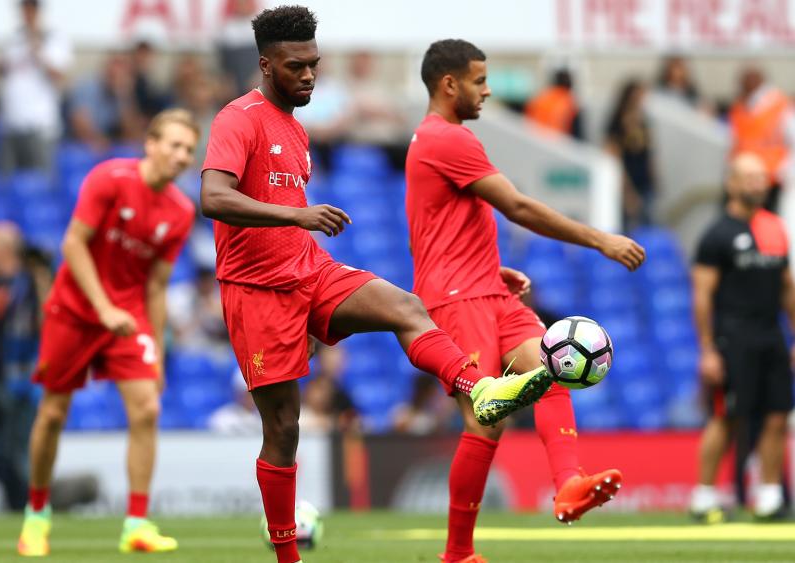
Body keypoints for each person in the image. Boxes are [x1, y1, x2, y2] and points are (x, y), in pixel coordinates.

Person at [199, 8, 551, 563]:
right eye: (296, 67)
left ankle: (478, 389)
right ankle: (287, 556)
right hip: (256, 288)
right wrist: (296, 217)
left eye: (314, 64)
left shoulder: (295, 127)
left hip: (308, 269)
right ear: (266, 65)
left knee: (405, 307)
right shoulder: (237, 120)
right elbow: (213, 199)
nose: (309, 75)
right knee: (284, 429)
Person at [406, 39, 646, 563]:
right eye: (479, 80)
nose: (488, 90)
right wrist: (600, 238)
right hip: (455, 298)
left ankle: (568, 485)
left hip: (486, 289)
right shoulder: (446, 138)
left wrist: (490, 269)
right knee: (486, 418)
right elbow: (515, 205)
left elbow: (436, 224)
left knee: (554, 366)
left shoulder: (446, 139)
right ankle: (458, 553)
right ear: (450, 84)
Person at [18, 108, 199, 556]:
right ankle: (36, 516)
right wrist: (101, 306)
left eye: (189, 150)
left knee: (147, 410)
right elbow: (73, 243)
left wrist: (155, 350)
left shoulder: (179, 211)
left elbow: (156, 285)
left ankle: (136, 524)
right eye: (173, 145)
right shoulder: (109, 178)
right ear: (150, 144)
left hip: (128, 316)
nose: (180, 156)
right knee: (54, 414)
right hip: (75, 310)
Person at [689, 153, 794, 523]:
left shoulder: (775, 229)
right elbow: (701, 295)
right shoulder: (717, 234)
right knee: (727, 417)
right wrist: (707, 349)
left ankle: (768, 496)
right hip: (733, 336)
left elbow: (786, 288)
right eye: (748, 177)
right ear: (731, 183)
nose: (756, 184)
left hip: (771, 334)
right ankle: (703, 497)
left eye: (761, 177)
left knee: (777, 415)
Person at [0, 221, 42, 512]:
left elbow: (43, 320)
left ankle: (29, 508)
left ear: (4, 249)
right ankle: (18, 505)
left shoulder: (28, 284)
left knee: (16, 451)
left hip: (22, 381)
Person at [0, 0, 72, 174]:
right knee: (8, 184)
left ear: (38, 12)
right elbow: (1, 70)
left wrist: (37, 47)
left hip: (40, 125)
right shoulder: (14, 38)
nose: (27, 15)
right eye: (24, 10)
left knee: (40, 183)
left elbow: (58, 75)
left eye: (30, 10)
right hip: (11, 123)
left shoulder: (54, 38)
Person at [728, 66, 795, 213]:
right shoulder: (739, 107)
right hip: (744, 177)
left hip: (770, 177)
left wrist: (786, 170)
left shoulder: (779, 104)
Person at [605, 79, 657, 229]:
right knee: (627, 229)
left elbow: (648, 153)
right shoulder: (617, 123)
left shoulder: (643, 122)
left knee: (647, 229)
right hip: (627, 183)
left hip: (644, 184)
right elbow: (613, 158)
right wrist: (626, 191)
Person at [524, 68, 583, 139]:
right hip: (557, 144)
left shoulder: (538, 100)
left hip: (534, 141)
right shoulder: (569, 103)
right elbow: (576, 134)